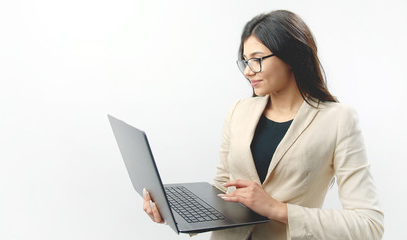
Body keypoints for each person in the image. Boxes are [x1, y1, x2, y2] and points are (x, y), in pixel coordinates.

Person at [142, 10, 384, 240]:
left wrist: (277, 209)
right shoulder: (239, 111)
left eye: (257, 60)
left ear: (291, 57)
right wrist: (176, 215)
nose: (248, 72)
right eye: (245, 61)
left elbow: (369, 225)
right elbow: (221, 189)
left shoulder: (339, 119)